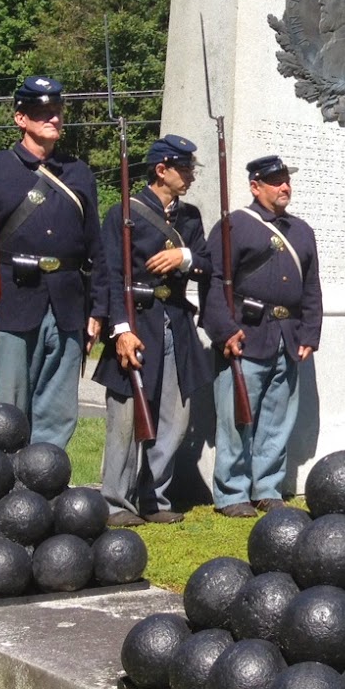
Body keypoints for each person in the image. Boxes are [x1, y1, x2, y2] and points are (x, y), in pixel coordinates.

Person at [0, 75, 104, 447]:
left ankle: (46, 482)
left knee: (58, 410)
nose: (53, 119)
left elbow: (97, 250)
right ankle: (6, 487)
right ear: (21, 119)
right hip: (10, 304)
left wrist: (98, 309)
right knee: (7, 410)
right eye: (42, 113)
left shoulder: (79, 174)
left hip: (68, 305)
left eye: (56, 112)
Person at [92, 135, 213, 526]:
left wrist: (185, 256)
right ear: (161, 170)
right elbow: (109, 274)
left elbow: (209, 263)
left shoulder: (190, 218)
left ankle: (154, 499)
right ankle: (115, 501)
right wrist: (121, 329)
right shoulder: (123, 214)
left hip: (175, 320)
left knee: (175, 417)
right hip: (136, 321)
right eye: (184, 168)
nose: (190, 175)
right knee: (126, 418)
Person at [202, 155, 323, 517]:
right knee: (237, 416)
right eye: (276, 181)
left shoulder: (301, 231)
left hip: (287, 336)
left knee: (277, 418)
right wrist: (224, 330)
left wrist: (310, 333)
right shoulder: (234, 225)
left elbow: (311, 288)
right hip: (246, 334)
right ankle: (231, 492)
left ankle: (266, 487)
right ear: (256, 186)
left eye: (286, 179)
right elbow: (213, 283)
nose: (285, 186)